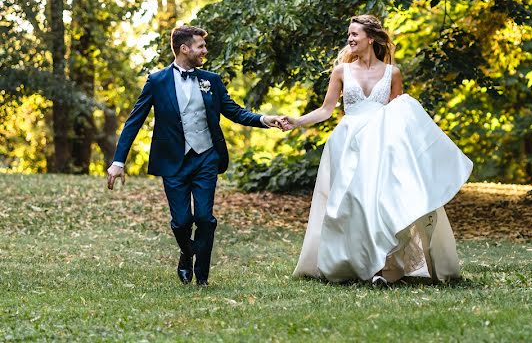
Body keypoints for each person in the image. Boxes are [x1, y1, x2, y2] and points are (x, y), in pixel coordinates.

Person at [280, 15, 473, 285]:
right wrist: (297, 121)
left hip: (383, 146)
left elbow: (400, 113)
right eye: (349, 34)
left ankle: (385, 268)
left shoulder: (392, 73)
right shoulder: (341, 72)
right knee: (352, 204)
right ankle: (354, 264)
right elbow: (326, 110)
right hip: (349, 143)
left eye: (355, 34)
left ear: (370, 38)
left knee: (382, 203)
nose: (350, 39)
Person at [106, 25, 285, 286]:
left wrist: (264, 119)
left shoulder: (211, 80)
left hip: (206, 158)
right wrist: (118, 162)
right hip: (173, 161)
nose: (205, 51)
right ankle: (186, 253)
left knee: (204, 218)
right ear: (184, 48)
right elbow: (134, 121)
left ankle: (202, 277)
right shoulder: (157, 81)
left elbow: (233, 111)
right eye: (200, 46)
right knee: (181, 222)